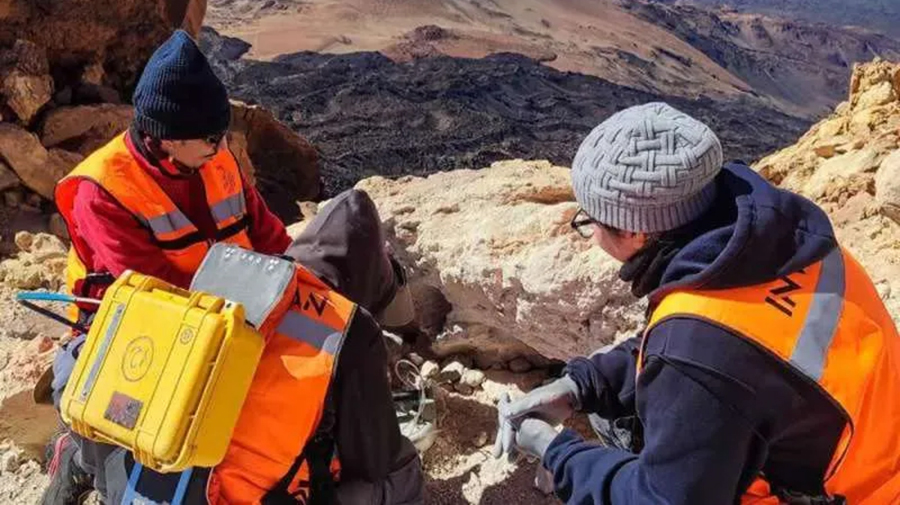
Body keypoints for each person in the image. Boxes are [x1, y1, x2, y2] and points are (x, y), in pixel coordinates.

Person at [494, 102, 900, 504]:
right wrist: (582, 384)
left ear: (636, 233)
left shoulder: (699, 349)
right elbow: (727, 344)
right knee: (607, 410)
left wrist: (555, 451)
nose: (591, 233)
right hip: (874, 457)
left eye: (590, 221)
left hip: (848, 495)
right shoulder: (786, 243)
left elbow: (662, 498)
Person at [43, 30, 291, 503]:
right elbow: (156, 299)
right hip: (139, 332)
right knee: (149, 461)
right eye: (212, 137)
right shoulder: (105, 189)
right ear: (167, 139)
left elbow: (270, 239)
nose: (223, 148)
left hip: (230, 318)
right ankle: (79, 458)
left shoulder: (217, 163)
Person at [57, 190, 424, 505]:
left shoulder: (221, 274)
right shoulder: (349, 327)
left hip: (141, 474)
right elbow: (378, 458)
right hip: (229, 496)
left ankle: (76, 462)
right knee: (401, 479)